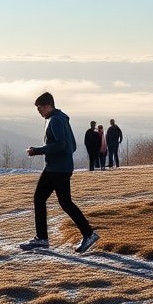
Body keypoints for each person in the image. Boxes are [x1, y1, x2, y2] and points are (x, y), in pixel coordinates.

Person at [20, 92, 98, 253]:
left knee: (63, 202)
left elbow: (62, 145)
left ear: (48, 105)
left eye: (39, 108)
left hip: (57, 169)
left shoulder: (55, 120)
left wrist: (38, 150)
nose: (39, 112)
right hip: (56, 167)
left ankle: (88, 234)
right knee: (41, 198)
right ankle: (42, 238)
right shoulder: (61, 118)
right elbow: (72, 146)